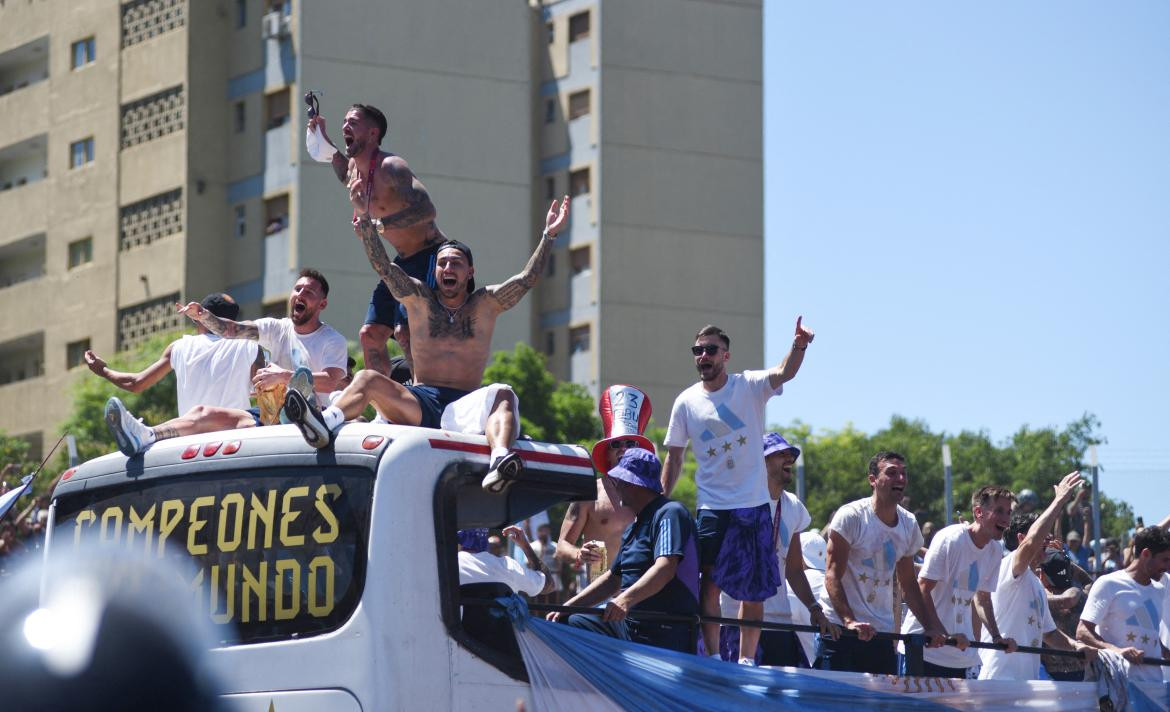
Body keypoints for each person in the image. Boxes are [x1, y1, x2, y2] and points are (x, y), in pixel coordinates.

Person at [283, 198, 569, 494]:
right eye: (442, 263)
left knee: (504, 393)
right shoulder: (419, 299)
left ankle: (500, 461)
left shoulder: (485, 304)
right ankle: (322, 424)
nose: (448, 267)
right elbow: (384, 268)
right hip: (419, 403)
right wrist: (368, 229)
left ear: (469, 272)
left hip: (464, 406)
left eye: (456, 263)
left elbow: (527, 280)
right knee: (367, 378)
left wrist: (549, 235)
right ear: (435, 272)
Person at [660, 319, 814, 664]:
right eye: (697, 351)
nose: (703, 356)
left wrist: (799, 344)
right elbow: (674, 457)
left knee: (753, 587)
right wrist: (659, 499)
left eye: (710, 350)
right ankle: (714, 656)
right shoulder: (685, 402)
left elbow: (784, 372)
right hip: (713, 506)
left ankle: (746, 660)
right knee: (710, 582)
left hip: (753, 503)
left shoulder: (748, 386)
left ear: (725, 355)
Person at [307, 104, 446, 377]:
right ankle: (385, 406)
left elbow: (427, 210)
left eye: (353, 123)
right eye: (344, 121)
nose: (345, 126)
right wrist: (319, 132)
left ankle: (423, 397)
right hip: (400, 261)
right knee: (370, 334)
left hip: (431, 254)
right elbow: (336, 162)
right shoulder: (353, 172)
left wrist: (379, 225)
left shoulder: (391, 167)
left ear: (372, 133)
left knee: (404, 332)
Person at [549, 449, 699, 653]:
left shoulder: (670, 513)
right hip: (629, 625)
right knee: (567, 622)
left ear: (634, 484)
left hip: (663, 629)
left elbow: (666, 567)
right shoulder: (634, 526)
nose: (616, 485)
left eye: (620, 479)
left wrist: (625, 600)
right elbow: (613, 579)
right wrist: (566, 607)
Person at [817, 451, 945, 675]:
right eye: (892, 473)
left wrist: (930, 627)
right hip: (840, 630)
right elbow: (832, 575)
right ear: (872, 480)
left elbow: (908, 583)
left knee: (880, 705)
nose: (901, 479)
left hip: (881, 631)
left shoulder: (908, 523)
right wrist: (849, 621)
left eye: (904, 474)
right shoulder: (851, 516)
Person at [715, 433, 837, 666]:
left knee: (783, 698)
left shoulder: (793, 507)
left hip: (780, 622)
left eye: (790, 454)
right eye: (780, 454)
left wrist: (814, 608)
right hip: (738, 622)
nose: (789, 458)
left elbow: (794, 570)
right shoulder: (737, 502)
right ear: (760, 461)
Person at [95, 294, 264, 457]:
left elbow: (136, 383)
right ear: (230, 322)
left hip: (189, 446)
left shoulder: (180, 347)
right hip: (237, 443)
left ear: (200, 319)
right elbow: (264, 396)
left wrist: (103, 371)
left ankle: (145, 433)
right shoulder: (250, 347)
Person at [978, 472, 1097, 680]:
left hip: (1026, 683)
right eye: (1044, 536)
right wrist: (1060, 500)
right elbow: (1032, 542)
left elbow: (1049, 633)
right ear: (1022, 539)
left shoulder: (1035, 583)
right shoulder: (1008, 567)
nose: (1049, 541)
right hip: (999, 679)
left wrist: (1076, 646)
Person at [899, 484, 1018, 679]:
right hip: (924, 650)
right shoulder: (951, 539)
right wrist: (943, 635)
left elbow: (982, 599)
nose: (1006, 518)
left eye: (1008, 512)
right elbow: (922, 590)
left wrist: (997, 637)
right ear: (978, 512)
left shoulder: (995, 551)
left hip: (960, 653)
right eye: (999, 511)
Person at [177, 268, 348, 403]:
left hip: (318, 419)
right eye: (297, 289)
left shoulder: (333, 340)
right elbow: (232, 330)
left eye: (309, 292)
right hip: (276, 418)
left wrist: (283, 376)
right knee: (214, 415)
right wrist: (204, 316)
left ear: (322, 304)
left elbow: (330, 382)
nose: (300, 294)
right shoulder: (276, 328)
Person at [554, 385, 652, 579]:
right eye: (616, 444)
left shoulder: (651, 495)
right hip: (599, 597)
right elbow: (561, 547)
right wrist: (579, 554)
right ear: (607, 452)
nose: (623, 449)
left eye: (630, 444)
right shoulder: (589, 493)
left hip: (639, 596)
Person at [1077, 525, 1170, 682]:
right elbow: (1082, 632)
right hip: (1119, 685)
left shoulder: (1160, 590)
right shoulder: (1109, 583)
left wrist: (1164, 650)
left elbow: (1148, 630)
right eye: (1165, 560)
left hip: (1155, 686)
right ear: (1146, 554)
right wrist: (1117, 651)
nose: (1168, 567)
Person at [457, 526, 555, 660]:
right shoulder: (507, 566)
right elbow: (548, 585)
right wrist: (525, 546)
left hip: (461, 648)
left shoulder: (446, 565)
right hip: (505, 653)